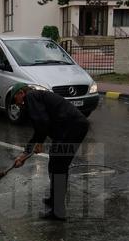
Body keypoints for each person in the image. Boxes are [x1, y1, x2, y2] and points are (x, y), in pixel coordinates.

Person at [12, 84, 90, 221]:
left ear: (20, 93)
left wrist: (40, 143)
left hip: (71, 128)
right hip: (68, 129)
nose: (16, 104)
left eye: (15, 99)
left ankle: (58, 212)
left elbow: (43, 122)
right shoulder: (36, 97)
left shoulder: (30, 97)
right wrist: (24, 154)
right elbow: (38, 129)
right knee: (55, 164)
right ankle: (54, 199)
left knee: (58, 167)